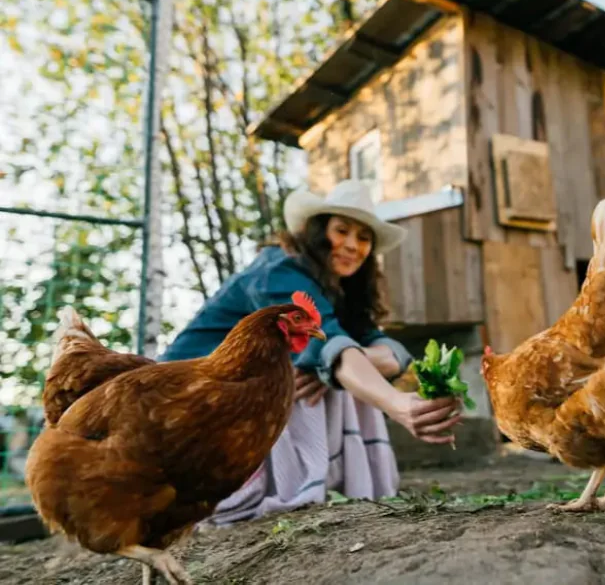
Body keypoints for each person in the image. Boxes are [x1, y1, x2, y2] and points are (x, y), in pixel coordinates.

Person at [159, 179, 462, 525]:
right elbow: (329, 344)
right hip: (181, 407)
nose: (352, 245)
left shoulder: (339, 289)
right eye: (341, 231)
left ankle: (335, 483)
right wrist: (397, 403)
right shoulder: (279, 272)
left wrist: (336, 364)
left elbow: (391, 352)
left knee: (340, 370)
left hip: (233, 400)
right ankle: (267, 490)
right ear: (318, 232)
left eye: (364, 238)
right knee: (334, 371)